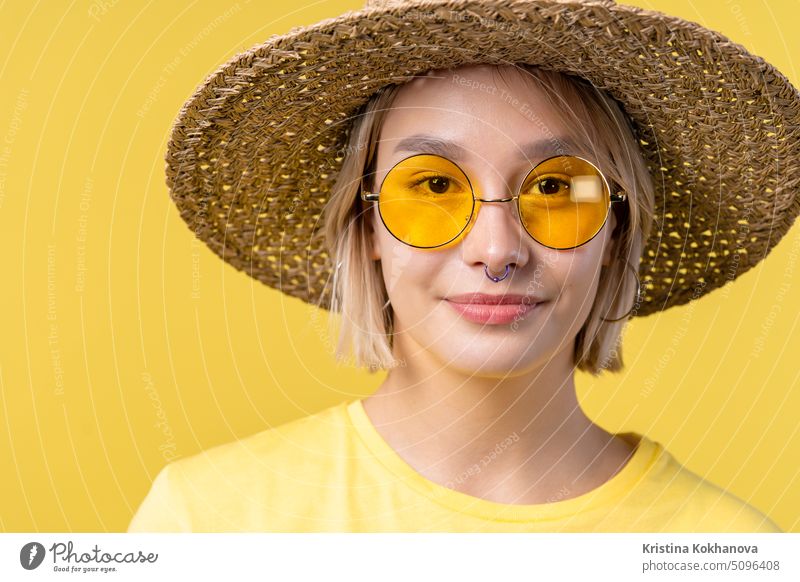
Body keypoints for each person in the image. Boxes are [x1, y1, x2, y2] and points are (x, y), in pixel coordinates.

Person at [128, 0, 799, 532]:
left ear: (617, 232)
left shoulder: (727, 550)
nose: (497, 249)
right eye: (435, 186)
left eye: (556, 188)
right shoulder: (205, 525)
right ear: (367, 224)